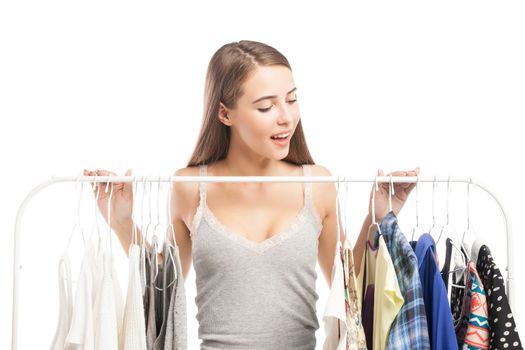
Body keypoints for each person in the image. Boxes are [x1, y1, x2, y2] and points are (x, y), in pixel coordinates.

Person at [83, 39, 419, 349]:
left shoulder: (316, 184)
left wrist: (376, 217)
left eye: (291, 99)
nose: (286, 118)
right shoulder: (189, 187)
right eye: (266, 107)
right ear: (225, 113)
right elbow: (163, 288)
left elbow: (348, 290)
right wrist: (121, 222)